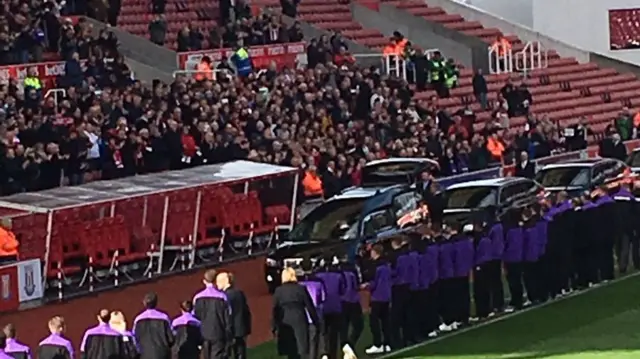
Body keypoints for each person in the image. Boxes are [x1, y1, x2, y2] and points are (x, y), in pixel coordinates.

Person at [272, 267, 320, 359]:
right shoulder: (300, 289)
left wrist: (274, 326)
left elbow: (275, 310)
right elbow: (309, 306)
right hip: (300, 321)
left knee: (291, 352)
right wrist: (316, 321)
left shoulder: (278, 291)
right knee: (302, 350)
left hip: (285, 322)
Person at [193, 269, 232, 359]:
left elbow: (195, 318)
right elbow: (228, 318)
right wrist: (229, 336)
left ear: (204, 281)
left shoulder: (197, 297)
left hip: (203, 334)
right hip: (218, 334)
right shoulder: (222, 297)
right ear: (216, 281)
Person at [363, 244, 392, 355]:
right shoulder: (387, 265)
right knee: (385, 321)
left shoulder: (376, 266)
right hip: (386, 295)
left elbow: (374, 282)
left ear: (375, 252)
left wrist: (366, 285)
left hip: (377, 297)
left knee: (374, 322)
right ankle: (387, 343)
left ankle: (377, 344)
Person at [216, 272, 251, 359]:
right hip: (240, 328)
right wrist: (247, 328)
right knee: (240, 353)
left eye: (218, 281)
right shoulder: (239, 293)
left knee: (225, 353)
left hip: (228, 330)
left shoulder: (222, 297)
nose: (216, 284)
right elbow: (246, 311)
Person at [388, 236, 415, 348]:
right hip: (408, 285)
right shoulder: (408, 255)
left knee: (396, 316)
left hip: (398, 287)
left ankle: (397, 341)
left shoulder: (394, 257)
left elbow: (393, 272)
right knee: (408, 313)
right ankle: (409, 336)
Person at [132, 292, 175, 359]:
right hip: (162, 354)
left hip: (145, 354)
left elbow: (134, 338)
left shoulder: (138, 319)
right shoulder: (164, 318)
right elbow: (171, 339)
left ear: (144, 303)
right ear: (156, 303)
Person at [299, 270, 326, 359]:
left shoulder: (299, 285)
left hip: (302, 318)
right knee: (315, 341)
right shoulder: (318, 284)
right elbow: (322, 299)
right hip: (315, 316)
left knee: (304, 343)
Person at [339, 262, 363, 349]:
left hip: (344, 301)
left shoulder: (340, 272)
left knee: (344, 327)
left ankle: (345, 346)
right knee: (358, 325)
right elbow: (356, 285)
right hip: (352, 301)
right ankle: (349, 344)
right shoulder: (352, 272)